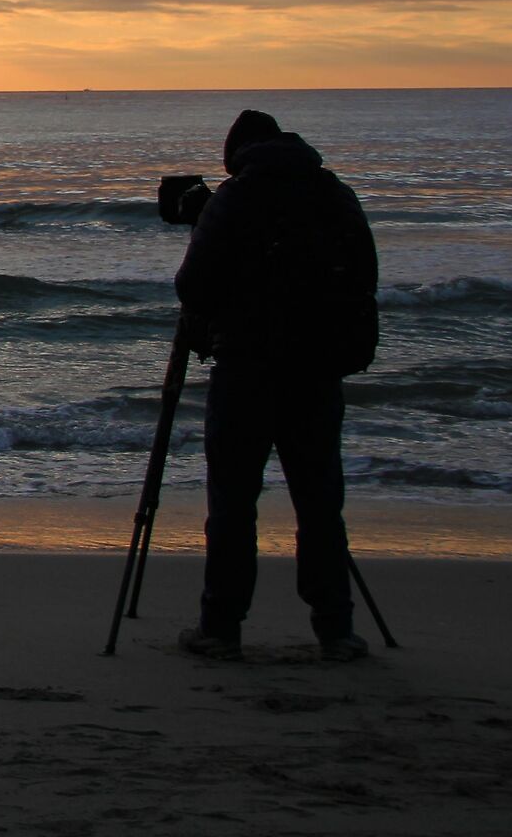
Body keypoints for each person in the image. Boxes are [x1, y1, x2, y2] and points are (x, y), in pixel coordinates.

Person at [174, 109, 379, 663]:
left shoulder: (237, 199)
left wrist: (207, 223)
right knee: (319, 505)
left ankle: (220, 627)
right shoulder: (334, 193)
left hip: (248, 370)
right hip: (317, 372)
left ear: (238, 155)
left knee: (235, 504)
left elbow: (193, 288)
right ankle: (336, 630)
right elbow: (365, 277)